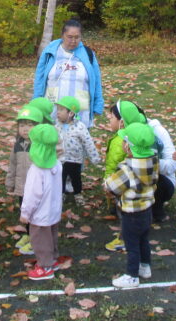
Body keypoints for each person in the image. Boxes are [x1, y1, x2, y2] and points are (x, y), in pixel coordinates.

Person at [105, 122, 159, 289]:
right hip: (147, 210)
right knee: (143, 239)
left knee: (131, 244)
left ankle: (132, 275)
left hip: (131, 213)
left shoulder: (128, 170)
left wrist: (106, 183)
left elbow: (112, 187)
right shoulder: (152, 163)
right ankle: (145, 266)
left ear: (128, 146)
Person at [34, 19, 104, 127]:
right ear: (62, 36)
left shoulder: (88, 54)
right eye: (70, 37)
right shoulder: (50, 52)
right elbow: (39, 78)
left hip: (79, 112)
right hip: (53, 110)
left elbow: (96, 81)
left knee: (77, 141)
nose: (73, 41)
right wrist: (36, 102)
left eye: (77, 37)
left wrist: (98, 105)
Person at [21, 123, 67, 281]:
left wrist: (25, 213)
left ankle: (45, 266)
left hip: (40, 214)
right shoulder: (57, 164)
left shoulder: (36, 171)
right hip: (53, 211)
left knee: (40, 240)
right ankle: (52, 259)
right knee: (51, 236)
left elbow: (32, 195)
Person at [103, 100, 144, 252]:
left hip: (121, 186)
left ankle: (124, 238)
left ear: (121, 122)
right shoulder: (137, 135)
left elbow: (113, 165)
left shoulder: (121, 141)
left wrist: (108, 182)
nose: (108, 118)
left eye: (112, 116)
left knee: (125, 214)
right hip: (138, 190)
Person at [6, 105, 44, 256]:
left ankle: (37, 240)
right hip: (22, 187)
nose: (25, 129)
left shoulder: (40, 146)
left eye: (30, 125)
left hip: (35, 188)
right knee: (25, 212)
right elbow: (12, 165)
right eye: (22, 125)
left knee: (36, 213)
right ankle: (28, 235)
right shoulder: (17, 145)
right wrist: (10, 183)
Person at [54, 96, 101, 206]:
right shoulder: (56, 125)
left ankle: (78, 193)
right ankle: (61, 193)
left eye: (61, 110)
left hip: (75, 159)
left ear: (70, 113)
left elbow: (88, 142)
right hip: (60, 159)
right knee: (60, 178)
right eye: (58, 109)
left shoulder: (80, 127)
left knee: (76, 178)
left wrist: (94, 157)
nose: (58, 112)